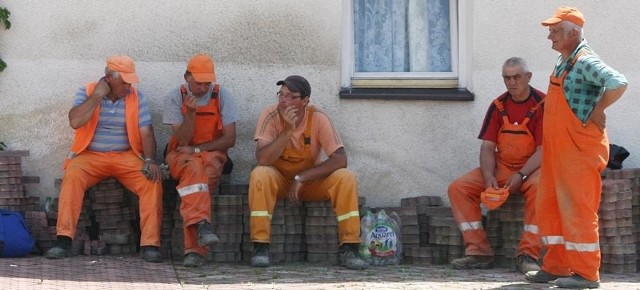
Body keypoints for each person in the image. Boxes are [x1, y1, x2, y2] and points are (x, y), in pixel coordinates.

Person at [525, 7, 628, 289]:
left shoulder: (584, 60)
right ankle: (556, 266)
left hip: (579, 151)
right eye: (550, 30)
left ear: (573, 33)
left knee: (579, 211)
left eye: (555, 31)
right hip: (560, 152)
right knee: (552, 208)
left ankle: (586, 274)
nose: (550, 36)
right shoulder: (564, 61)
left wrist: (598, 109)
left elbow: (618, 82)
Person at [46, 55, 164, 262]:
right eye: (124, 82)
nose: (129, 86)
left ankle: (150, 244)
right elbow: (75, 121)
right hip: (90, 156)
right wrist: (96, 97)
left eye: (130, 82)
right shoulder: (87, 91)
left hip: (126, 156)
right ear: (109, 78)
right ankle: (63, 239)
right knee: (72, 175)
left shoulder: (137, 97)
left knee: (151, 182)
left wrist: (149, 160)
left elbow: (146, 132)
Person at [248, 75, 368, 270]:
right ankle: (260, 247)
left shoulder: (318, 117)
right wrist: (287, 131)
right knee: (259, 174)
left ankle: (350, 247)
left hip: (309, 182)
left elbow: (340, 159)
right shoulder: (270, 114)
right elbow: (262, 159)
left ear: (305, 101)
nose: (283, 101)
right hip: (278, 180)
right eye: (281, 95)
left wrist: (302, 177)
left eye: (290, 97)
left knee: (346, 177)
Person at [448, 57, 545, 274]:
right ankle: (478, 251)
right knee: (459, 188)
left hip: (533, 169)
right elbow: (487, 148)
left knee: (543, 190)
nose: (511, 82)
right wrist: (488, 175)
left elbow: (543, 151)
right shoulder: (498, 105)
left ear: (528, 77)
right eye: (507, 78)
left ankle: (528, 254)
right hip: (503, 168)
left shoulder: (542, 105)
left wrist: (521, 175)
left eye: (517, 77)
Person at [163, 54, 239, 267]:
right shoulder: (175, 97)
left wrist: (198, 148)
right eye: (198, 83)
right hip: (180, 155)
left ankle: (194, 250)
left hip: (210, 153)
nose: (204, 88)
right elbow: (182, 140)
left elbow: (230, 139)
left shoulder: (222, 95)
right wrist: (191, 113)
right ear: (187, 77)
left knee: (198, 184)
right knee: (196, 172)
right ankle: (201, 233)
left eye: (207, 83)